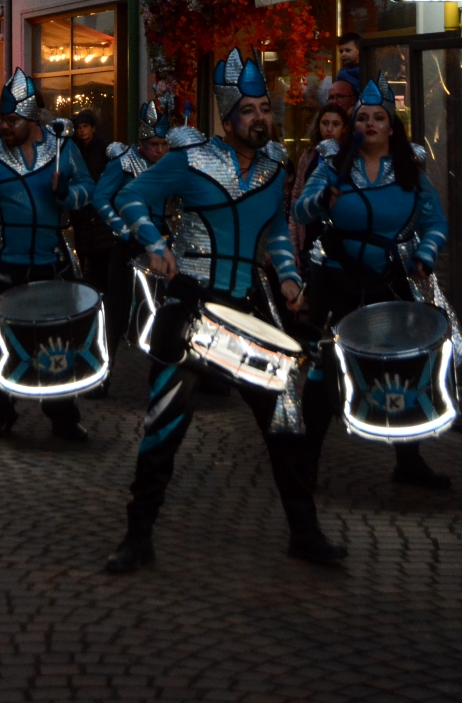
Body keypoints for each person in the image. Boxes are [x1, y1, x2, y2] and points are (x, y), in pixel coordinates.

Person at [104, 48, 341, 573]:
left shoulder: (278, 165)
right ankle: (137, 537)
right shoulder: (187, 160)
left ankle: (304, 533)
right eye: (250, 110)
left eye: (265, 108)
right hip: (189, 307)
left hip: (244, 309)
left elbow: (276, 228)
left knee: (284, 422)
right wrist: (153, 243)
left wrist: (288, 275)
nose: (261, 118)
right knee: (164, 428)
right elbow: (131, 199)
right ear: (228, 115)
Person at [292, 76, 453, 491]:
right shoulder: (331, 165)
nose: (370, 123)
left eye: (378, 117)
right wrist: (320, 199)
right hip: (338, 280)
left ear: (391, 125)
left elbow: (435, 220)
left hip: (390, 281)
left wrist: (425, 254)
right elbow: (303, 211)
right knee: (326, 368)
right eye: (361, 118)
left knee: (402, 364)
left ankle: (409, 460)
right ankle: (304, 462)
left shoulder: (409, 171)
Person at [0, 69, 95, 441]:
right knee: (1, 340)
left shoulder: (61, 149)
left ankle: (62, 413)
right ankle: (0, 410)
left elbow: (90, 189)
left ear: (31, 118)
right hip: (3, 263)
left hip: (50, 262)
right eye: (3, 118)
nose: (4, 125)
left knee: (57, 339)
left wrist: (68, 194)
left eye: (12, 119)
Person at [90, 99, 174, 375]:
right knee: (115, 306)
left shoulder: (174, 164)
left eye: (164, 144)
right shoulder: (123, 162)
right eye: (154, 145)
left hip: (165, 241)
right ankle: (103, 369)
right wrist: (122, 228)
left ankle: (165, 366)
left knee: (170, 306)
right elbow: (101, 198)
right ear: (141, 143)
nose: (160, 151)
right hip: (128, 244)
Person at [67, 108, 119, 307]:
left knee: (101, 256)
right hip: (81, 210)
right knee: (83, 252)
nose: (82, 131)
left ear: (93, 128)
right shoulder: (74, 150)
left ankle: (103, 296)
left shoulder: (103, 149)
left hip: (99, 209)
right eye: (79, 127)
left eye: (85, 126)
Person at [288, 99, 350, 257]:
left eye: (336, 124)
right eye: (325, 123)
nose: (329, 129)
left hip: (340, 236)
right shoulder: (309, 155)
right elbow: (296, 196)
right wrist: (294, 246)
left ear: (344, 129)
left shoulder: (350, 158)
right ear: (318, 126)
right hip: (309, 232)